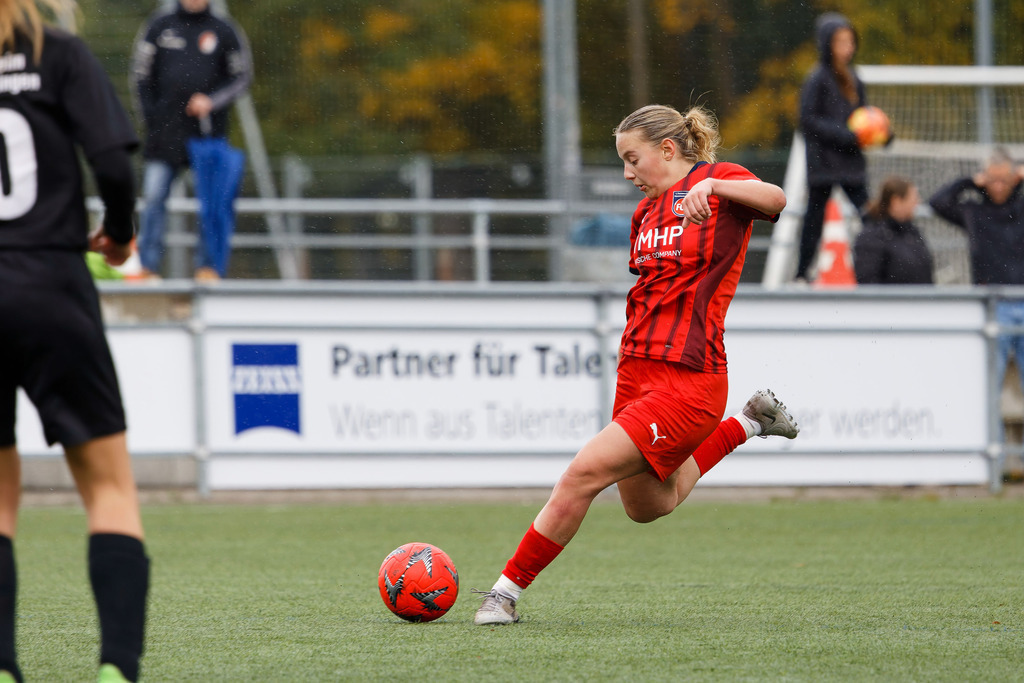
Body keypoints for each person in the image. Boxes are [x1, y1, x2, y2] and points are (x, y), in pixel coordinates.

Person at [473, 104, 799, 626]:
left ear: (667, 150)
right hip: (636, 374)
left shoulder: (717, 181)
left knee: (580, 475)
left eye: (632, 159)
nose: (627, 173)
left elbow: (777, 198)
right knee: (649, 506)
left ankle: (503, 594)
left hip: (689, 379)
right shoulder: (645, 214)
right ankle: (748, 421)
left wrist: (713, 190)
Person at [0, 2, 150, 681]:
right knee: (110, 490)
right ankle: (116, 669)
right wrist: (118, 232)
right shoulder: (57, 54)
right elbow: (114, 163)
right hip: (52, 284)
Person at [131, 0, 252, 281]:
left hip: (207, 136)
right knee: (153, 198)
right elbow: (140, 76)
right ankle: (148, 267)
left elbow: (241, 77)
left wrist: (211, 101)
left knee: (212, 203)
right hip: (164, 135)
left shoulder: (224, 30)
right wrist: (152, 118)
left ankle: (207, 268)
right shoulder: (159, 26)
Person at [929, 148, 1024, 437]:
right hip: (992, 306)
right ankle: (993, 461)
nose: (998, 186)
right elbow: (938, 202)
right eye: (992, 180)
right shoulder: (974, 212)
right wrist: (971, 181)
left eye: (1005, 180)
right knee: (988, 386)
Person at [794, 12, 871, 282]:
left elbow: (864, 118)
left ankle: (877, 273)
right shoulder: (817, 79)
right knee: (813, 222)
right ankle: (802, 275)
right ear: (827, 44)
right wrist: (846, 135)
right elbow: (808, 121)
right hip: (824, 165)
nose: (847, 47)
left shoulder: (854, 79)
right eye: (840, 41)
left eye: (850, 41)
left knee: (870, 218)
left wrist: (880, 133)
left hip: (850, 165)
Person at [853, 176, 933, 285]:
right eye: (913, 199)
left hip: (918, 301)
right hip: (892, 301)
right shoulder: (872, 236)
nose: (917, 203)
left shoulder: (912, 233)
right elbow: (867, 281)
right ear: (896, 201)